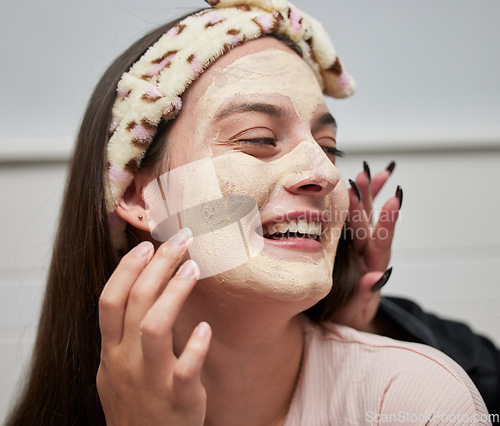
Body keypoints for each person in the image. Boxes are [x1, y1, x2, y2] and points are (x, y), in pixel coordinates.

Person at [6, 1, 492, 425]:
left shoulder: (415, 399)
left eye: (329, 146)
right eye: (258, 138)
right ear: (136, 196)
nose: (323, 172)